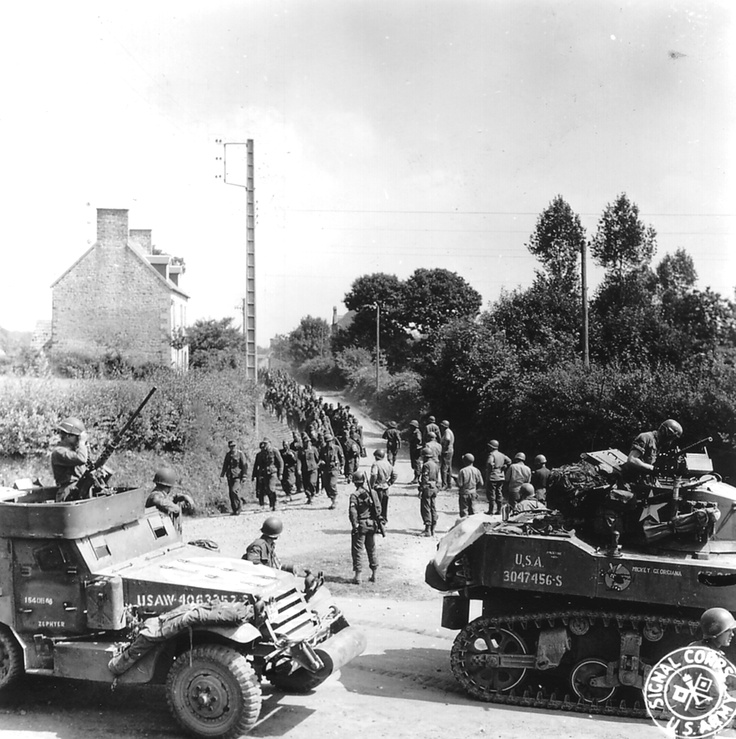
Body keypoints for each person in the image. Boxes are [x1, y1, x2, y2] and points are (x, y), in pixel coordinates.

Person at [623, 419, 683, 487]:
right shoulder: (646, 438)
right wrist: (653, 469)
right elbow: (632, 459)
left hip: (645, 481)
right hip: (632, 482)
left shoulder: (658, 444)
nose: (670, 442)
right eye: (670, 438)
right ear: (663, 431)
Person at [348, 471, 383, 585]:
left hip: (361, 525)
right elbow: (379, 509)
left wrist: (355, 525)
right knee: (371, 549)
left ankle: (358, 577)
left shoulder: (355, 495)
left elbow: (352, 512)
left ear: (354, 482)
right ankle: (375, 575)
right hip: (371, 524)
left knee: (358, 550)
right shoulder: (372, 493)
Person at [146, 467, 195, 534]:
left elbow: (170, 499)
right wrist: (177, 507)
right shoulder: (155, 497)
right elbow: (172, 507)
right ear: (169, 487)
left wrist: (183, 496)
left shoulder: (159, 494)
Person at [51, 417, 89, 502]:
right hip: (68, 493)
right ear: (68, 436)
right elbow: (81, 459)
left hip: (79, 490)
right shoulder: (59, 452)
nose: (79, 440)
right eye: (77, 437)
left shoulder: (74, 450)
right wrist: (82, 443)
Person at [251, 438, 284, 511]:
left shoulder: (274, 451)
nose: (265, 445)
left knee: (271, 488)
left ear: (270, 443)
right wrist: (254, 475)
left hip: (273, 472)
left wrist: (280, 473)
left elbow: (280, 462)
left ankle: (275, 502)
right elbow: (257, 465)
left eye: (266, 443)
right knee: (267, 489)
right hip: (265, 473)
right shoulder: (262, 453)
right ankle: (272, 505)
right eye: (264, 443)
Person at [220, 440, 248, 516]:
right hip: (230, 476)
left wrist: (244, 475)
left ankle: (239, 507)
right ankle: (234, 509)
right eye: (231, 446)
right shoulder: (228, 455)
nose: (232, 448)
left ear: (236, 446)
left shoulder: (240, 454)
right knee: (231, 494)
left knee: (234, 491)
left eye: (234, 446)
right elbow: (225, 465)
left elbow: (244, 465)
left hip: (237, 476)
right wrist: (222, 474)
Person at [370, 448, 397, 523]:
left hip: (378, 488)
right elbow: (395, 475)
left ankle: (377, 522)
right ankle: (384, 520)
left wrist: (371, 485)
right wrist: (389, 483)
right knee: (384, 505)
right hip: (386, 487)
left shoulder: (375, 464)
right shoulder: (388, 464)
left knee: (377, 506)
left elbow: (374, 475)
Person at [484, 440, 511, 515]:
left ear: (491, 447)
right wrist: (504, 466)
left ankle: (491, 510)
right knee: (499, 492)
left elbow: (489, 463)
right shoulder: (502, 455)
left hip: (492, 476)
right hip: (501, 476)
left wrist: (490, 469)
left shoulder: (491, 455)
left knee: (491, 493)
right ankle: (499, 510)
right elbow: (509, 461)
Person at [319, 433, 345, 510]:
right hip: (326, 469)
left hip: (334, 469)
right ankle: (332, 500)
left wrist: (342, 467)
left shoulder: (336, 448)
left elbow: (342, 457)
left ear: (332, 441)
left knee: (332, 484)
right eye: (327, 441)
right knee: (326, 485)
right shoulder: (323, 449)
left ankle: (335, 499)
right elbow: (320, 458)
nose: (328, 443)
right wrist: (321, 461)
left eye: (330, 441)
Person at [419, 446, 440, 536]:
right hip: (434, 487)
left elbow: (425, 478)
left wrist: (421, 489)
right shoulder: (436, 464)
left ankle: (427, 530)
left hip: (427, 487)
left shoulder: (426, 465)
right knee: (433, 507)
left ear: (425, 456)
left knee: (426, 508)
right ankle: (433, 529)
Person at [456, 453, 484, 518]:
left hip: (464, 493)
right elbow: (481, 483)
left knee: (464, 512)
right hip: (473, 493)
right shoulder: (477, 470)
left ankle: (463, 525)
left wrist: (456, 480)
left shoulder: (462, 471)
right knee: (473, 512)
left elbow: (460, 484)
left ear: (465, 461)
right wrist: (475, 489)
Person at [299, 436, 320, 504]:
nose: (308, 443)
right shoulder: (301, 450)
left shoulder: (313, 449)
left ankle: (313, 494)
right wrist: (299, 469)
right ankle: (309, 497)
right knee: (306, 485)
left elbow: (318, 458)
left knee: (311, 482)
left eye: (308, 441)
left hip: (313, 469)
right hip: (305, 470)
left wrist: (318, 466)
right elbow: (299, 461)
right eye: (306, 442)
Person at [439, 420, 455, 490]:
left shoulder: (447, 432)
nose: (441, 427)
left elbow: (447, 439)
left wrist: (444, 447)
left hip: (446, 452)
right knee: (448, 467)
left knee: (444, 468)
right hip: (450, 451)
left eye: (442, 426)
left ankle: (444, 484)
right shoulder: (449, 431)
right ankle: (449, 484)